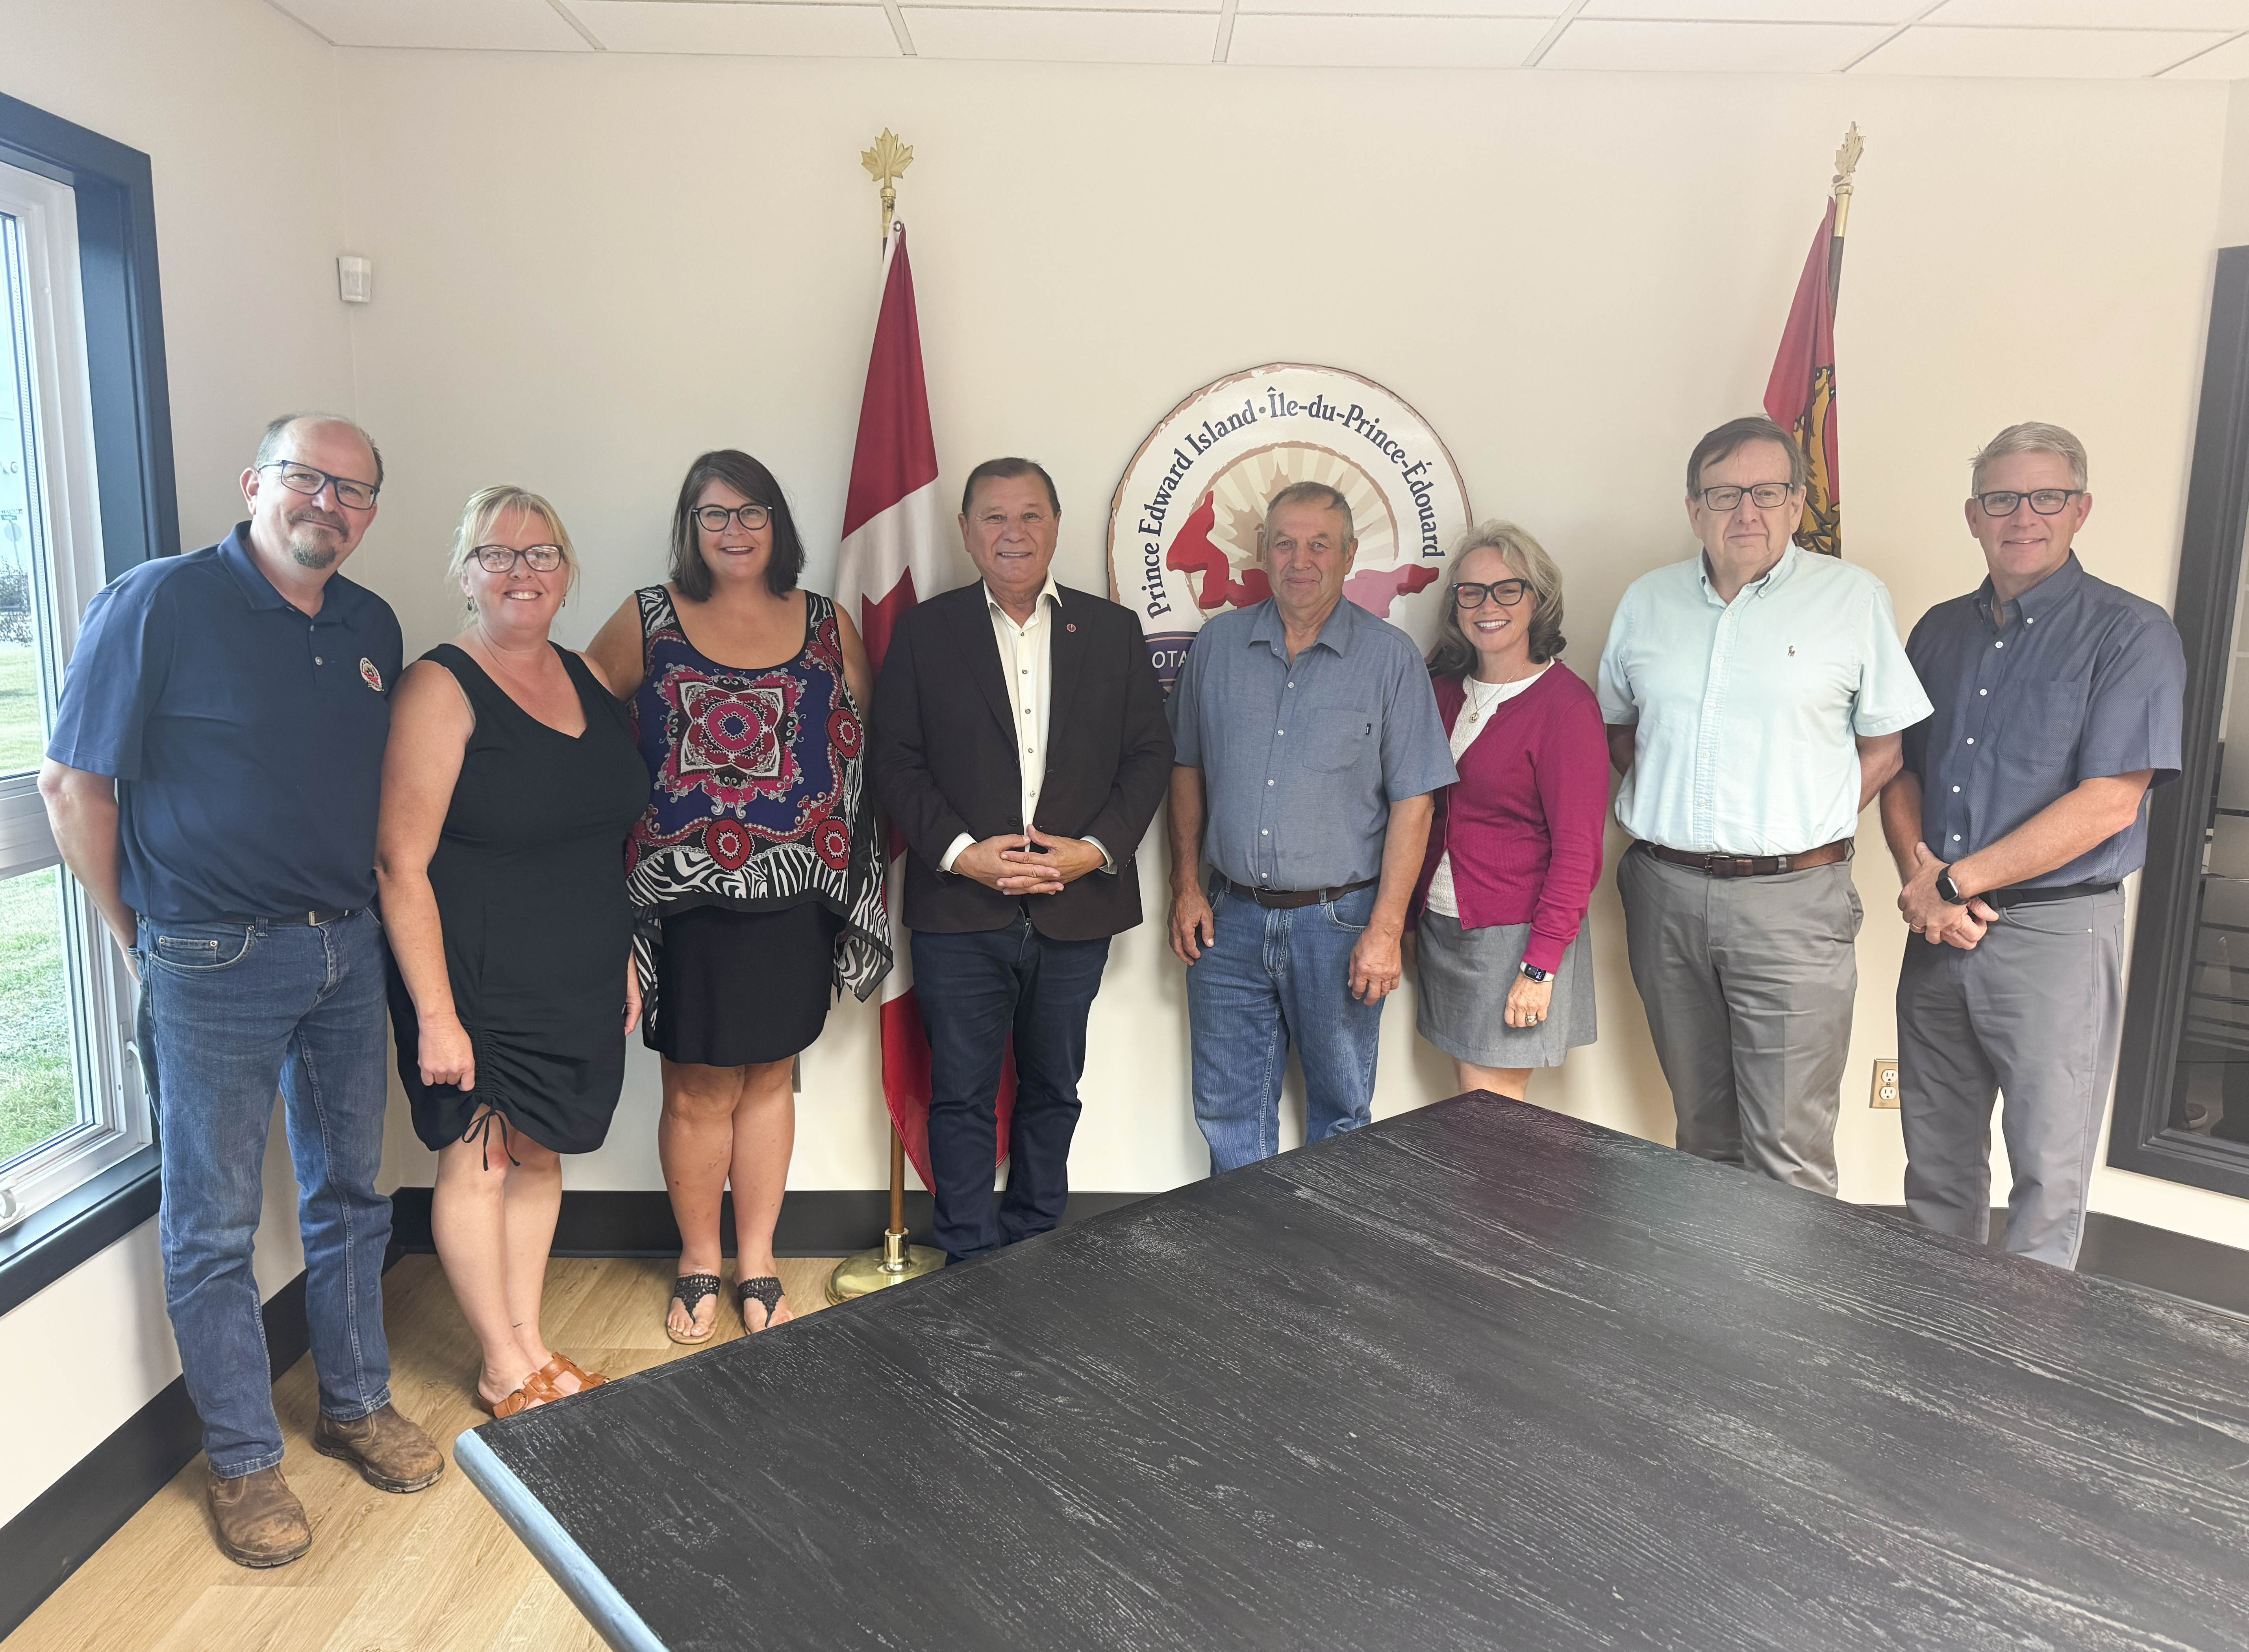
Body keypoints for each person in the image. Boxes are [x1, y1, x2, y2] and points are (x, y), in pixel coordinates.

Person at [37, 413, 441, 1568]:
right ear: (256, 481)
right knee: (212, 1225)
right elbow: (72, 786)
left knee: (352, 1194)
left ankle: (356, 1403)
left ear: (371, 513)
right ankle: (244, 1460)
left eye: (355, 490)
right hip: (209, 959)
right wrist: (141, 937)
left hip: (346, 949)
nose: (330, 503)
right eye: (309, 478)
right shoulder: (158, 602)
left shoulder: (370, 624)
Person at [588, 450, 889, 1343]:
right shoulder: (648, 619)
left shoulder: (828, 624)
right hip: (682, 904)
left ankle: (757, 1259)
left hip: (794, 899)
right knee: (694, 1090)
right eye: (713, 514)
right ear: (690, 528)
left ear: (777, 524)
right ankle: (697, 1260)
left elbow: (861, 745)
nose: (734, 530)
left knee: (768, 1081)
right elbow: (577, 728)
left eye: (751, 512)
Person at [1598, 416, 1930, 1195]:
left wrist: (1803, 819)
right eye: (1723, 494)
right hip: (1665, 894)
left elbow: (1886, 749)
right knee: (1700, 1132)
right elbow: (1621, 729)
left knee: (1788, 1150)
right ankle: (1713, 1278)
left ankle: (1786, 1285)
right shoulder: (1646, 602)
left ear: (1797, 503)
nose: (1745, 511)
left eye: (1767, 492)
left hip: (1794, 903)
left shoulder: (1852, 598)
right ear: (1694, 509)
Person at [1882, 422, 2184, 1267]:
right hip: (1937, 934)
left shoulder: (2131, 633)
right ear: (1972, 516)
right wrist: (1922, 880)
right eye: (2002, 499)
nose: (2024, 516)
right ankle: (1934, 1338)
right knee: (1936, 1169)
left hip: (2056, 937)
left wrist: (1954, 883)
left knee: (2047, 1182)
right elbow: (1901, 769)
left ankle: (2020, 1354)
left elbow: (2109, 803)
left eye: (2047, 497)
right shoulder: (1938, 632)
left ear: (2080, 510)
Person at [376, 486, 648, 1413]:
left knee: (540, 1155)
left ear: (566, 574)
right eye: (497, 553)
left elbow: (595, 838)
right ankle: (500, 1365)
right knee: (480, 1160)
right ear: (466, 575)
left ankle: (532, 1345)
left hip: (576, 967)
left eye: (541, 554)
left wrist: (619, 954)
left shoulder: (587, 676)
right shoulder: (439, 687)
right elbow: (399, 863)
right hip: (477, 977)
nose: (521, 571)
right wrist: (436, 1014)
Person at [868, 458, 1171, 1263]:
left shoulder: (1111, 631)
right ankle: (968, 1262)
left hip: (1077, 908)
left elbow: (1149, 756)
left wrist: (1092, 852)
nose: (1014, 533)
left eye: (1031, 515)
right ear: (967, 532)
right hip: (960, 908)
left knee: (1054, 1089)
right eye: (995, 517)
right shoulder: (926, 633)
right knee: (962, 1095)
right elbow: (893, 759)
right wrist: (962, 854)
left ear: (1057, 526)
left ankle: (1036, 1249)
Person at [1168, 481, 1456, 1172]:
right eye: (1285, 544)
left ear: (1349, 555)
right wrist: (1186, 886)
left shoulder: (1390, 660)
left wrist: (1385, 930)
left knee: (1342, 1113)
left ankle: (1326, 1247)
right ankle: (1245, 1243)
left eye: (1319, 545)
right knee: (1229, 1112)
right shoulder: (1218, 646)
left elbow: (1415, 804)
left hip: (1342, 924)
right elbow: (1186, 769)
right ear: (1263, 551)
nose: (1301, 561)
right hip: (1227, 921)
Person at [1410, 523, 1608, 1100]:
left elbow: (1578, 854)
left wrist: (1540, 966)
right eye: (1471, 592)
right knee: (1474, 1103)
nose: (1487, 606)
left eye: (1507, 590)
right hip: (1446, 926)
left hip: (1517, 937)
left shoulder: (1565, 707)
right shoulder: (1444, 691)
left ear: (1538, 600)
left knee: (1489, 1111)